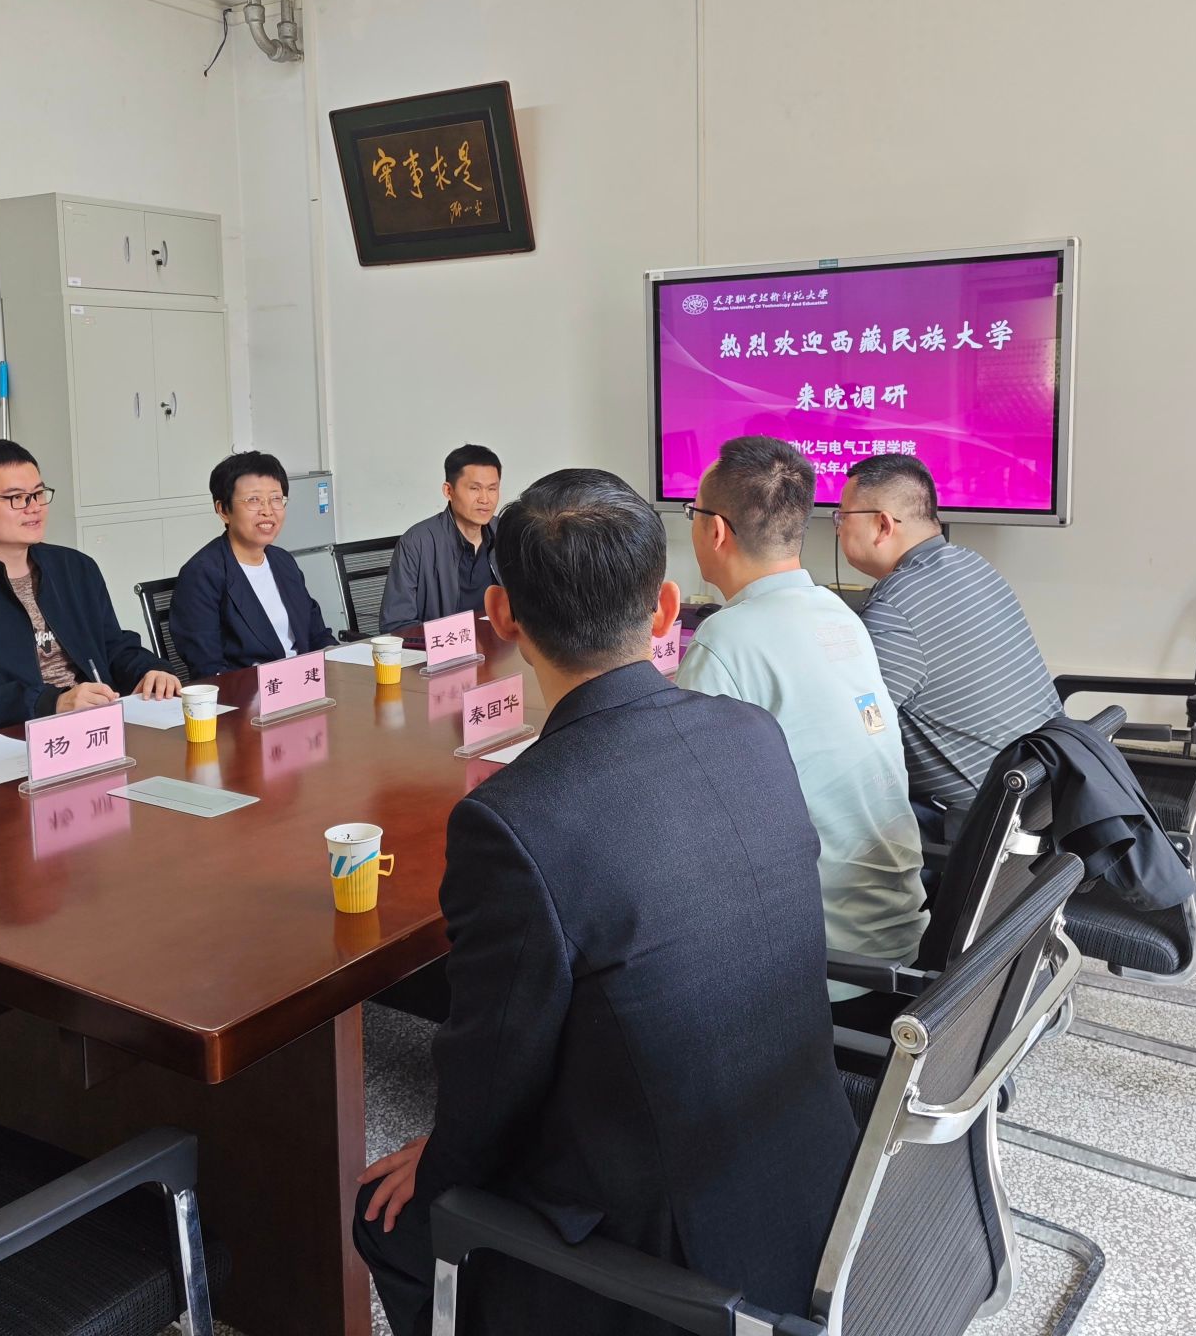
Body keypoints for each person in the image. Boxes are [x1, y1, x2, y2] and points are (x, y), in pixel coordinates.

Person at [354, 468, 854, 1336]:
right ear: (665, 611)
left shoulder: (512, 819)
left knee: (388, 1219)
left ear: (503, 617)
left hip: (677, 1262)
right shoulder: (752, 733)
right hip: (822, 1176)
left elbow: (491, 1072)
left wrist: (441, 1167)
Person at [677, 436, 928, 990]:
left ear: (715, 530)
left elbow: (688, 818)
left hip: (821, 966)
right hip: (896, 938)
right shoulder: (840, 615)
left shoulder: (727, 639)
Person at [837, 453, 1062, 837]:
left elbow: (856, 731)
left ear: (882, 525)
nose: (838, 528)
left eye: (842, 517)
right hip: (1043, 801)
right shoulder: (973, 565)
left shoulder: (895, 606)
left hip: (973, 827)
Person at [0, 439, 181, 745]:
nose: (34, 507)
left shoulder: (75, 568)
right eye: (17, 498)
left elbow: (111, 645)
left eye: (38, 494)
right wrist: (54, 703)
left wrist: (151, 670)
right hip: (6, 742)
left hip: (94, 731)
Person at [167, 451, 338, 676]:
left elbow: (317, 635)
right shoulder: (202, 574)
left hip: (306, 682)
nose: (267, 511)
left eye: (276, 499)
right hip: (251, 693)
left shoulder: (283, 561)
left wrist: (339, 660)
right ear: (223, 510)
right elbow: (208, 668)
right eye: (253, 500)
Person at [377, 444, 501, 632]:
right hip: (446, 648)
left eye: (492, 489)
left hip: (503, 645)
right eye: (475, 488)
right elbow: (396, 625)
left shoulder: (508, 534)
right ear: (448, 491)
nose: (485, 499)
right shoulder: (417, 543)